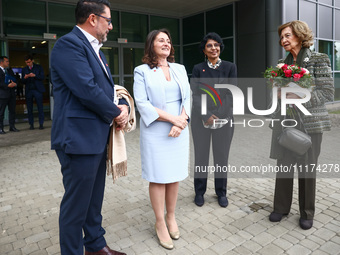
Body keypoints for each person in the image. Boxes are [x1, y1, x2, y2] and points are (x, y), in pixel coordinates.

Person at [50, 0, 129, 254]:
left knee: (93, 202)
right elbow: (86, 90)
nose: (111, 26)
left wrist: (123, 103)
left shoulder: (98, 51)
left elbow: (107, 89)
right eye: (108, 20)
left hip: (95, 139)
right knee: (76, 207)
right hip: (78, 140)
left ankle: (95, 246)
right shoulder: (68, 44)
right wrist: (116, 113)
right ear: (93, 19)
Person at [269, 21, 334, 230]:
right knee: (284, 166)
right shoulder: (282, 63)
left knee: (307, 170)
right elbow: (278, 94)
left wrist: (300, 94)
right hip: (286, 121)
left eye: (287, 36)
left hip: (310, 124)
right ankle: (280, 208)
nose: (283, 41)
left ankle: (307, 212)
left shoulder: (319, 59)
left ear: (299, 35)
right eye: (281, 37)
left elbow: (327, 93)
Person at [133, 29, 190, 250]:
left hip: (179, 129)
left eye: (168, 40)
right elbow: (142, 103)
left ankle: (171, 216)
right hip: (157, 130)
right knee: (158, 177)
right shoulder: (142, 71)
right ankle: (159, 222)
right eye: (161, 40)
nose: (166, 43)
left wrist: (182, 120)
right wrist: (173, 120)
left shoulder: (180, 69)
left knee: (174, 175)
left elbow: (188, 96)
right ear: (151, 45)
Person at [190, 32, 237, 208]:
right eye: (209, 45)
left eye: (216, 45)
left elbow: (232, 92)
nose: (213, 48)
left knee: (221, 157)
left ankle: (221, 192)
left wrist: (219, 114)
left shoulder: (230, 67)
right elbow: (195, 94)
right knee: (201, 156)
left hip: (224, 120)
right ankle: (199, 192)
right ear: (204, 49)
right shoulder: (198, 68)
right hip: (201, 120)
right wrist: (206, 115)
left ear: (220, 48)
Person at [22, 54, 45, 130]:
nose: (28, 64)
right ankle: (31, 124)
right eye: (26, 62)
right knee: (29, 108)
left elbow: (42, 77)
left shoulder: (39, 67)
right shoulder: (24, 69)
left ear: (32, 60)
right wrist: (25, 78)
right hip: (29, 90)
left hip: (37, 89)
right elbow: (22, 81)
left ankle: (41, 123)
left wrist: (34, 75)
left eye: (29, 62)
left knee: (40, 107)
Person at [0, 56, 19, 134]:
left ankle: (12, 126)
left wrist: (15, 83)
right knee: (1, 112)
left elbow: (15, 78)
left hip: (11, 94)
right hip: (2, 95)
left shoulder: (9, 70)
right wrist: (7, 86)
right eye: (6, 61)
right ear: (1, 62)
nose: (8, 63)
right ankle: (1, 128)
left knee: (12, 111)